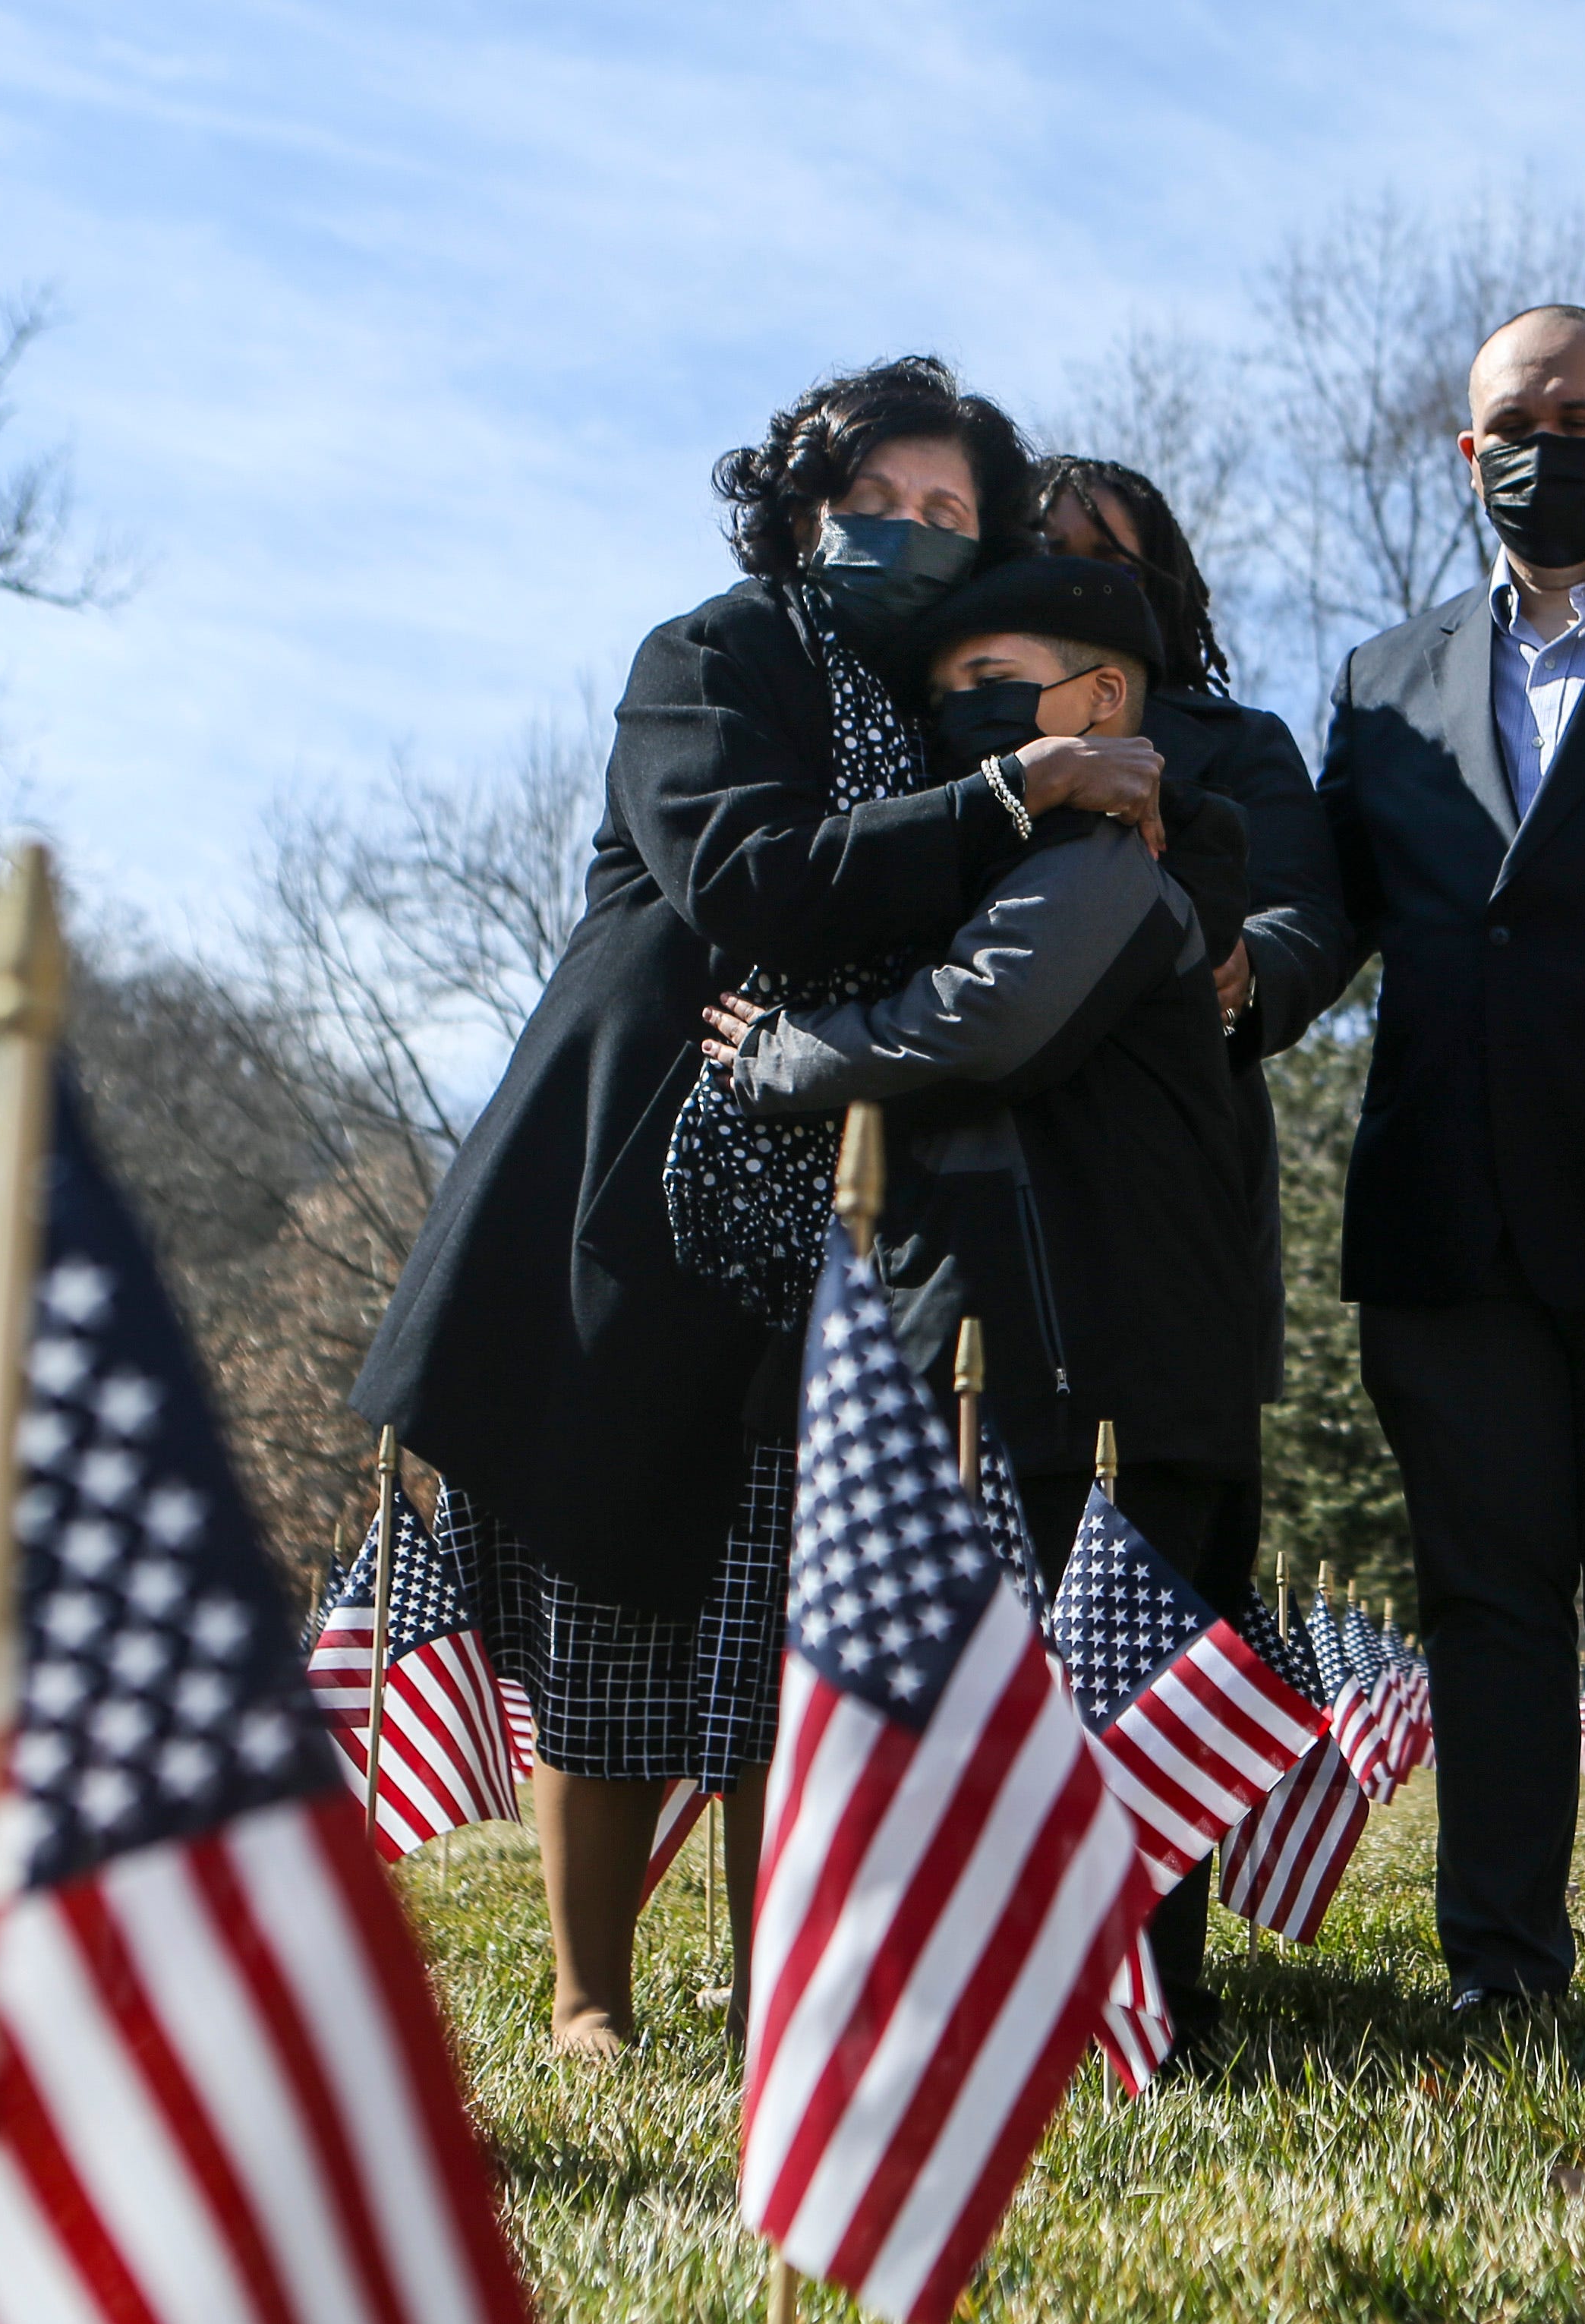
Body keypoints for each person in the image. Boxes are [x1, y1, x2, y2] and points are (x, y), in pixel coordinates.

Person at [350, 359, 1164, 2059]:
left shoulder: (961, 698)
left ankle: (769, 1978)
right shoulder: (709, 660)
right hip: (649, 1178)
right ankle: (590, 1997)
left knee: (784, 1606)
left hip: (861, 1205)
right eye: (876, 505)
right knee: (612, 1596)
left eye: (949, 515)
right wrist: (1019, 793)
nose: (909, 538)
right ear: (801, 511)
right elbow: (755, 878)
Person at [1250, 304, 1585, 2008]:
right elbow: (1325, 919)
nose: (1536, 445)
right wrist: (1205, 967)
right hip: (1444, 1223)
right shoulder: (1380, 679)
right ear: (1463, 448)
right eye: (1507, 420)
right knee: (1482, 1608)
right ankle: (1497, 1959)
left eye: (1577, 418)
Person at [700, 554, 1262, 2053]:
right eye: (944, 693)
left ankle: (1136, 2011)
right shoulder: (1036, 858)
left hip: (1114, 1370)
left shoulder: (1100, 871)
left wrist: (789, 1054)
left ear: (1100, 703)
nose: (966, 719)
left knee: (1118, 1693)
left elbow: (977, 1027)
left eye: (992, 686)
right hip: (1029, 1350)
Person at [1029, 454, 1337, 1399]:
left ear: (1159, 580)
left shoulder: (1240, 743)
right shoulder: (953, 730)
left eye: (1107, 558)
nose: (1077, 579)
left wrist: (1256, 968)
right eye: (1049, 553)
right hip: (1000, 1170)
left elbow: (1311, 910)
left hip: (1178, 1172)